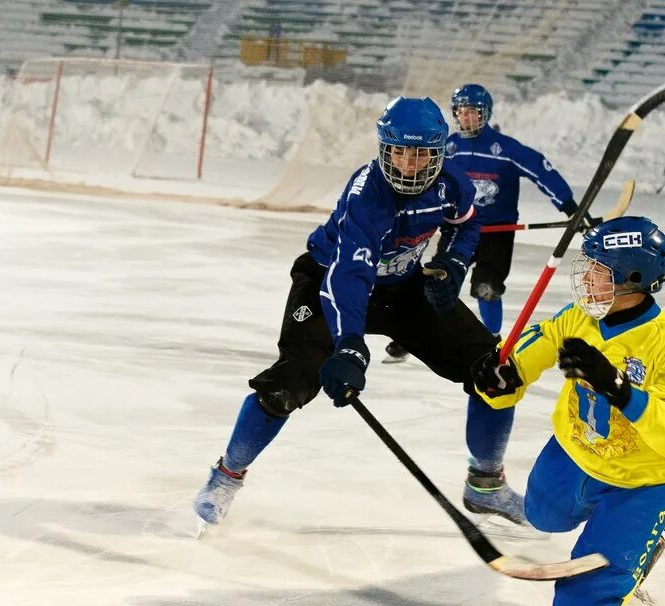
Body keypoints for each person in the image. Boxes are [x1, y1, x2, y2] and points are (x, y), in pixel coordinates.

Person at [193, 96, 526, 529]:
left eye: (421, 154)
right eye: (399, 152)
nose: (408, 165)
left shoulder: (452, 184)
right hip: (329, 280)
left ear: (440, 152)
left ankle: (485, 484)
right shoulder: (366, 197)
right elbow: (348, 275)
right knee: (287, 386)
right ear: (384, 150)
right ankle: (226, 477)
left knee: (495, 371)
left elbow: (466, 225)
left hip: (403, 285)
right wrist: (349, 343)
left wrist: (453, 265)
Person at [469, 216, 665, 606]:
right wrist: (501, 376)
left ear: (632, 280)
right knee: (542, 515)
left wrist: (619, 389)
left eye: (598, 271)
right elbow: (528, 354)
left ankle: (636, 549)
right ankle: (612, 531)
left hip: (641, 479)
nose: (586, 279)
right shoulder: (577, 317)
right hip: (577, 453)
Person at [384, 83, 590, 361]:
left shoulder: (505, 148)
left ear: (486, 114)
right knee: (438, 282)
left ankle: (491, 341)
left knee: (487, 288)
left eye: (474, 112)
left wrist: (569, 207)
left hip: (497, 233)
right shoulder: (447, 147)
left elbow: (542, 171)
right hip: (457, 227)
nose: (467, 118)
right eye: (462, 112)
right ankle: (415, 336)